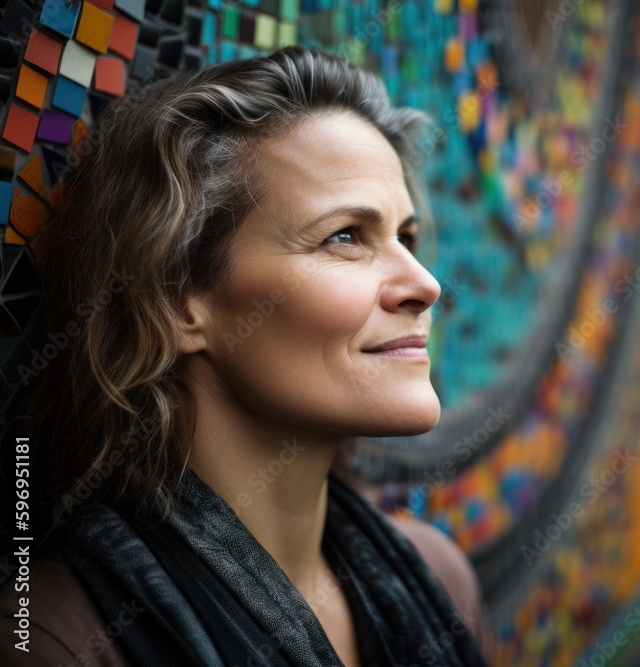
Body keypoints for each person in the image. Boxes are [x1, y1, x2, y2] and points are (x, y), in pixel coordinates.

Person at [0, 46, 489, 666]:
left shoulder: (440, 577)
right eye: (344, 236)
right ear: (178, 301)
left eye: (407, 237)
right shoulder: (53, 639)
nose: (425, 283)